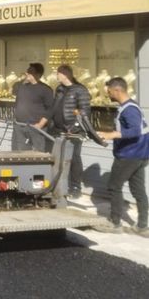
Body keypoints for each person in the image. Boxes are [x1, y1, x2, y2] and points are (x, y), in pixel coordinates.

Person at [95, 77, 148, 235]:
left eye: (109, 91)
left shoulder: (129, 109)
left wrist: (111, 135)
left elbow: (135, 131)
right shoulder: (131, 106)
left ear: (117, 90)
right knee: (138, 190)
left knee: (114, 187)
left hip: (128, 155)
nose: (108, 94)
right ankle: (142, 226)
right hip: (140, 154)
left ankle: (115, 223)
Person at [51, 65, 92, 197]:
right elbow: (55, 107)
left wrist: (75, 126)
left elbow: (85, 111)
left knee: (74, 159)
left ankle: (75, 187)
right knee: (59, 158)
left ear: (65, 74)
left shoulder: (80, 90)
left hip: (74, 131)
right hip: (58, 130)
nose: (56, 76)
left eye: (58, 73)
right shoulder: (60, 89)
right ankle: (61, 185)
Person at [11, 63, 53, 152]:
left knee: (38, 154)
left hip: (36, 126)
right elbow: (14, 92)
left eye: (30, 72)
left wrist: (40, 125)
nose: (27, 73)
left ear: (38, 74)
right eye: (27, 70)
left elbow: (50, 110)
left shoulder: (45, 89)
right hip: (20, 125)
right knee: (19, 153)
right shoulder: (22, 86)